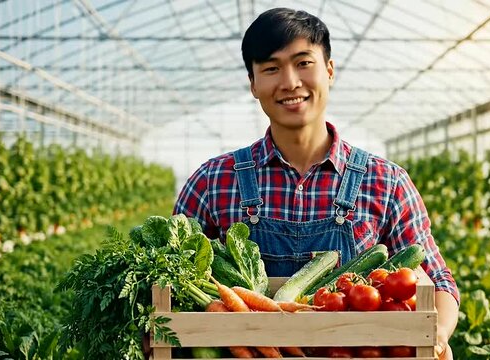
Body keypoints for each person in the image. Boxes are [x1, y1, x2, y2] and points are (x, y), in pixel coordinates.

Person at [173, 7, 459, 359]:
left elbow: (437, 279)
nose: (290, 82)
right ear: (253, 84)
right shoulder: (212, 181)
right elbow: (172, 284)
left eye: (303, 63)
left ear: (329, 70)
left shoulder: (387, 182)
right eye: (271, 68)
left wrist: (439, 334)